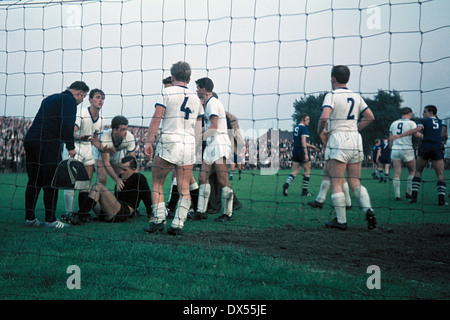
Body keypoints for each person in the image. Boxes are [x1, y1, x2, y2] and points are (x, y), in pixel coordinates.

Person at [144, 61, 204, 236]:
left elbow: (157, 117)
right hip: (189, 143)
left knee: (157, 182)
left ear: (172, 77)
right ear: (190, 78)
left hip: (170, 140)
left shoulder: (166, 92)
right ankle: (177, 224)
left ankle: (158, 221)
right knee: (184, 187)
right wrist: (196, 147)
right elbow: (199, 128)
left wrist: (148, 141)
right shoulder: (196, 98)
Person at [24, 81, 90, 228]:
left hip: (31, 139)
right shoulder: (69, 101)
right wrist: (71, 147)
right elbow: (67, 124)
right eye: (83, 97)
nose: (82, 100)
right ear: (79, 93)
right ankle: (50, 219)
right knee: (51, 181)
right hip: (47, 142)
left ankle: (29, 218)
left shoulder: (49, 98)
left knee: (34, 181)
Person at [318, 65, 376, 230]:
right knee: (354, 181)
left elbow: (324, 116)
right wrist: (355, 128)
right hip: (356, 140)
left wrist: (320, 131)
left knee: (336, 181)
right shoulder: (356, 96)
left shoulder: (332, 95)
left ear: (333, 79)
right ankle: (368, 210)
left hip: (338, 139)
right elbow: (370, 117)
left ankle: (341, 221)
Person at [63, 156, 152, 224]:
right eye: (121, 169)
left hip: (122, 212)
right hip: (110, 211)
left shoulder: (139, 178)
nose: (121, 172)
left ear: (133, 169)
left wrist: (151, 216)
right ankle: (84, 216)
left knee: (99, 186)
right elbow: (116, 198)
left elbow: (147, 197)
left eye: (125, 170)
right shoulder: (121, 178)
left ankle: (80, 216)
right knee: (86, 187)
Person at [193, 77, 235, 222]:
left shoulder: (212, 104)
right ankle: (201, 211)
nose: (196, 90)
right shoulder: (210, 103)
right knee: (202, 177)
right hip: (212, 143)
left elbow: (214, 127)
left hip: (218, 142)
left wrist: (199, 138)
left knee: (223, 179)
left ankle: (227, 213)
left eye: (198, 88)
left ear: (204, 89)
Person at [391, 105, 448, 205]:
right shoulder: (441, 121)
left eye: (425, 112)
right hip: (437, 147)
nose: (423, 114)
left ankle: (413, 198)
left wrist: (399, 135)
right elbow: (443, 134)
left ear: (431, 113)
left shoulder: (424, 122)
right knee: (440, 174)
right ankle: (441, 200)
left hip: (425, 147)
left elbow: (415, 131)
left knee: (417, 171)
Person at [63, 88, 105, 216]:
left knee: (86, 183)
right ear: (90, 99)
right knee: (71, 184)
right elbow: (72, 133)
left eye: (102, 98)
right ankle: (69, 214)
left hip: (88, 150)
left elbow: (95, 140)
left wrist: (104, 148)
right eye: (97, 97)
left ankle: (82, 213)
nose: (100, 100)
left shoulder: (102, 119)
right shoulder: (81, 113)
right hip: (74, 148)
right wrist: (80, 137)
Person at [94, 115, 136, 189]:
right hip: (99, 154)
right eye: (122, 129)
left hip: (116, 154)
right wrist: (116, 179)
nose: (125, 132)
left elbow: (132, 159)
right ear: (114, 130)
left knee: (125, 177)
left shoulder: (130, 137)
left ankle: (122, 199)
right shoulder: (105, 138)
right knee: (102, 178)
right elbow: (106, 162)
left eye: (126, 129)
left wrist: (134, 173)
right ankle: (98, 198)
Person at [388, 107, 421, 201]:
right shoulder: (411, 123)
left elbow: (390, 138)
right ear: (410, 114)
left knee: (397, 173)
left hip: (395, 148)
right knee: (412, 171)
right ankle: (409, 192)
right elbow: (416, 134)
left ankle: (397, 195)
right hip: (407, 148)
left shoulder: (394, 123)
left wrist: (391, 148)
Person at [283, 114, 318, 197]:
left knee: (295, 171)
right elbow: (303, 141)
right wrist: (306, 154)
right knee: (307, 171)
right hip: (302, 150)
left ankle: (286, 184)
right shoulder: (304, 128)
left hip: (295, 150)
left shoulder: (296, 128)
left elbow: (299, 141)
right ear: (303, 119)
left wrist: (312, 146)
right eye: (307, 119)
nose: (309, 121)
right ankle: (304, 192)